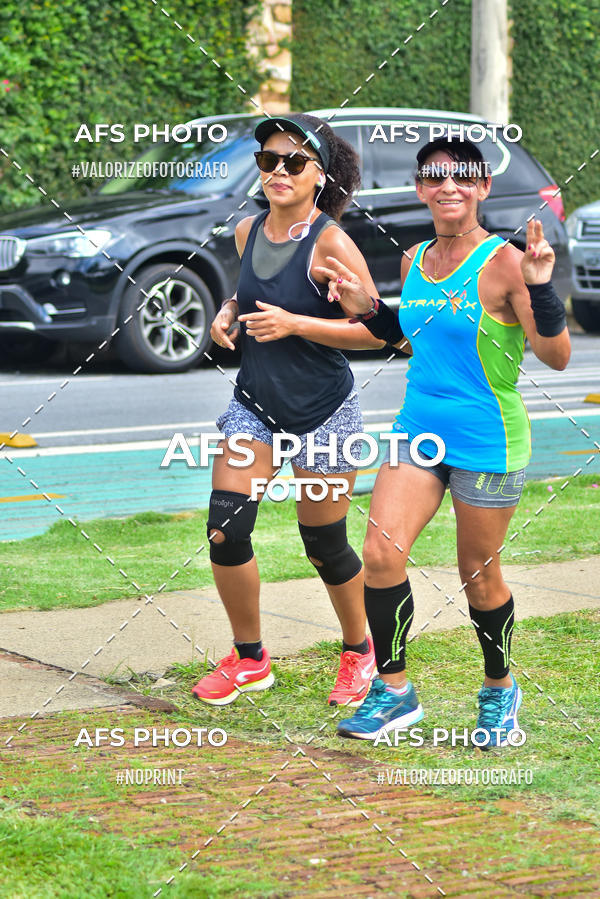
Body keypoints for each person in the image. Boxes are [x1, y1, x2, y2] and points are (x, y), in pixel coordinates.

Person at [315, 137, 571, 748]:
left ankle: (499, 690)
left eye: (462, 177)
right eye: (434, 177)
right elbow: (409, 341)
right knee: (380, 556)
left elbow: (556, 357)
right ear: (421, 188)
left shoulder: (505, 262)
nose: (447, 187)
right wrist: (368, 309)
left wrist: (539, 286)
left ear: (482, 189)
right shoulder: (415, 258)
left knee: (477, 577)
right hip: (418, 432)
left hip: (488, 438)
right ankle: (396, 694)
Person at [192, 113, 385, 707]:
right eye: (268, 160)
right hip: (256, 405)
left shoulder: (330, 240)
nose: (278, 171)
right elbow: (251, 291)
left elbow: (377, 331)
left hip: (324, 411)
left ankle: (360, 651)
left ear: (318, 176)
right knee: (225, 531)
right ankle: (250, 659)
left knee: (323, 543)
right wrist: (229, 311)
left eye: (293, 162)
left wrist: (295, 324)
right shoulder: (247, 231)